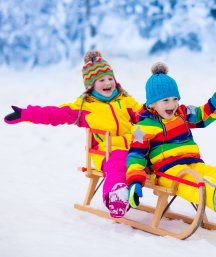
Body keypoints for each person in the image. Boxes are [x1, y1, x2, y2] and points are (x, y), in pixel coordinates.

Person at [4, 50, 141, 218]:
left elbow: (142, 114)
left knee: (151, 153)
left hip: (133, 147)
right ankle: (116, 196)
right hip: (106, 151)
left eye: (110, 78)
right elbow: (55, 114)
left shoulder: (125, 100)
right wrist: (25, 114)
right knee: (118, 161)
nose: (108, 83)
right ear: (91, 85)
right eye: (101, 80)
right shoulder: (85, 107)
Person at [126, 62, 216, 218]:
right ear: (152, 103)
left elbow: (204, 114)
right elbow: (136, 156)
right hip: (166, 170)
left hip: (192, 161)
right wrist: (135, 182)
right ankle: (215, 196)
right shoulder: (144, 126)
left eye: (175, 99)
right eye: (166, 100)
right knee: (189, 182)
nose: (173, 104)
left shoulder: (182, 113)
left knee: (210, 171)